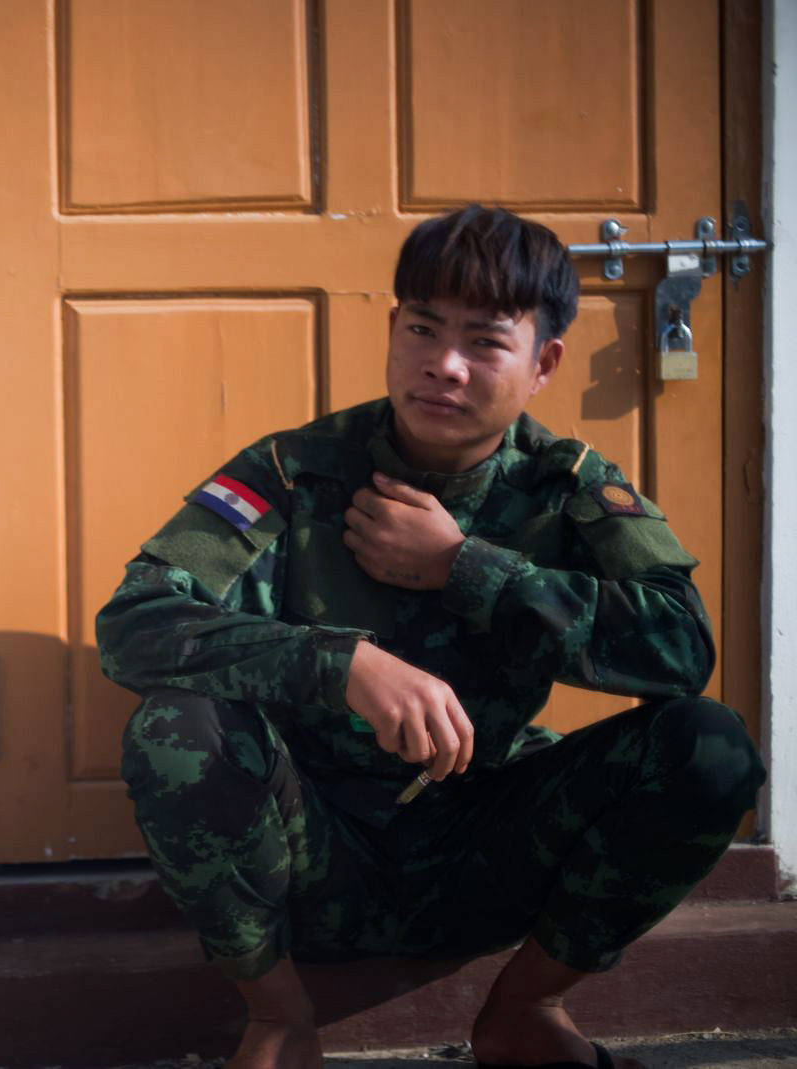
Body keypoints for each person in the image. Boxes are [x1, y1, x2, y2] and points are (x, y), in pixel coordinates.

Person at [96, 206, 766, 1069]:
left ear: (543, 363)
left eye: (485, 341)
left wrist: (469, 568)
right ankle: (275, 1016)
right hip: (309, 854)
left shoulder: (567, 488)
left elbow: (681, 650)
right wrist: (341, 664)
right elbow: (135, 623)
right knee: (174, 728)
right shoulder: (297, 471)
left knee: (709, 745)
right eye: (422, 328)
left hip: (486, 853)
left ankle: (529, 1006)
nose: (443, 365)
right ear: (392, 330)